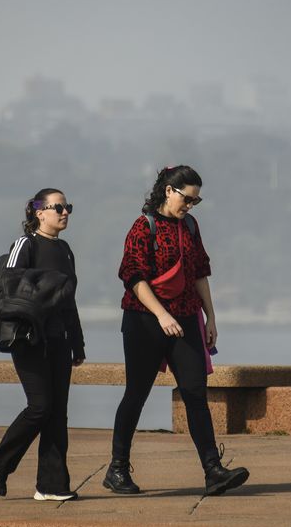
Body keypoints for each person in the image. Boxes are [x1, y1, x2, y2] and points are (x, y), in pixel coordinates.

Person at [104, 165, 249, 496]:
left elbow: (200, 272)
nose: (190, 206)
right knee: (136, 394)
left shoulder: (191, 227)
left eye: (196, 201)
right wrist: (160, 315)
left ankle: (213, 471)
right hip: (144, 319)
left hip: (184, 320)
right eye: (187, 198)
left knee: (196, 393)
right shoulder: (144, 227)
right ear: (168, 190)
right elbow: (133, 277)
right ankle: (117, 470)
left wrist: (211, 317)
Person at [0, 188, 86, 501]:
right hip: (28, 338)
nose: (64, 212)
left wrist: (77, 343)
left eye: (67, 206)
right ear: (39, 212)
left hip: (59, 339)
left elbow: (68, 302)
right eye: (57, 207)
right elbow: (12, 280)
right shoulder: (25, 243)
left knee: (58, 412)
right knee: (40, 406)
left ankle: (51, 485)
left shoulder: (66, 250)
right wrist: (53, 282)